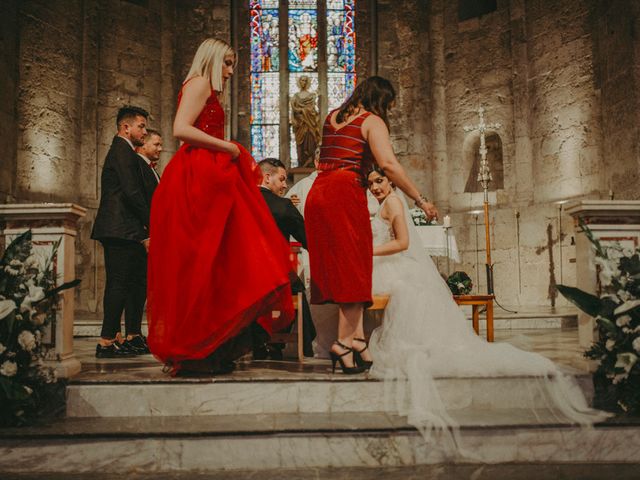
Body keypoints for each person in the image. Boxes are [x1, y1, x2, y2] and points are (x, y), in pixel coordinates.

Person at [366, 167, 609, 453]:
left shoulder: (393, 202)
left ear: (391, 180)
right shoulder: (386, 203)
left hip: (394, 266)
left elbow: (403, 243)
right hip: (388, 266)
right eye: (370, 183)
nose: (375, 187)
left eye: (379, 181)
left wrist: (366, 251)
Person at [147, 38, 294, 375]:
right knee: (204, 261)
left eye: (232, 65)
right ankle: (196, 348)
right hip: (198, 173)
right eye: (227, 64)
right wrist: (228, 148)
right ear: (212, 59)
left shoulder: (207, 88)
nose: (229, 72)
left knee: (218, 263)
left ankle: (210, 345)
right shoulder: (199, 83)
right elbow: (180, 129)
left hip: (210, 172)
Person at [304, 76, 438, 374]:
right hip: (343, 192)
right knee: (354, 269)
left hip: (318, 194)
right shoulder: (372, 120)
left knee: (344, 269)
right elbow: (388, 165)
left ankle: (359, 342)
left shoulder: (333, 116)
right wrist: (420, 198)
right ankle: (342, 343)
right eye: (388, 105)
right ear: (381, 101)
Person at [91, 106, 155, 358]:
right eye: (141, 126)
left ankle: (118, 337)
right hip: (119, 228)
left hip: (124, 228)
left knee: (126, 284)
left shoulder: (125, 151)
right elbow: (132, 192)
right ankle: (106, 341)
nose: (144, 131)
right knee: (118, 284)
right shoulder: (122, 150)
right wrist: (150, 224)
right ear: (125, 127)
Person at [257, 158, 316, 358]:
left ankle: (258, 342)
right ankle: (299, 346)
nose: (285, 185)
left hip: (245, 276)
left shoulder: (241, 201)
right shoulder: (283, 206)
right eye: (282, 179)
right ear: (267, 177)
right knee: (298, 289)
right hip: (275, 275)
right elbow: (309, 239)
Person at [290, 76, 320, 168]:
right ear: (299, 82)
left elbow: (313, 110)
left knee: (311, 141)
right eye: (302, 80)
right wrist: (300, 113)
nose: (303, 82)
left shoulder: (311, 96)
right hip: (300, 124)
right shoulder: (295, 97)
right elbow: (294, 110)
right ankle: (301, 162)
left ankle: (310, 162)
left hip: (310, 123)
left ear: (307, 82)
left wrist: (303, 111)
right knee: (300, 144)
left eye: (305, 80)